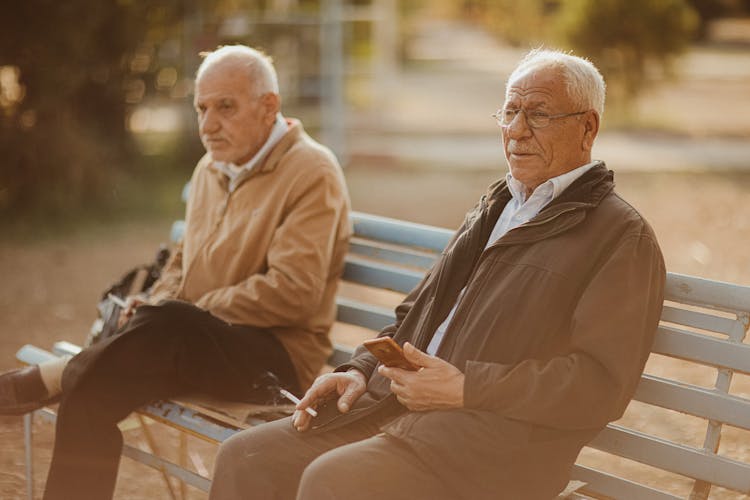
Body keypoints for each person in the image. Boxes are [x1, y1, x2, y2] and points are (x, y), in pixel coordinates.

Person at [208, 48, 666, 500]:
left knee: (334, 482)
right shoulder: (497, 206)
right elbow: (418, 311)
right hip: (396, 412)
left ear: (588, 127)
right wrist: (362, 369)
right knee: (245, 456)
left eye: (539, 115)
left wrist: (467, 389)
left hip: (492, 448)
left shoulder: (620, 235)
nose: (516, 131)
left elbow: (599, 384)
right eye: (509, 112)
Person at [0, 45, 351, 499]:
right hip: (180, 341)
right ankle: (78, 375)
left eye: (225, 107)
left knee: (166, 324)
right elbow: (183, 262)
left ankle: (57, 374)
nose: (208, 125)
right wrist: (155, 303)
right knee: (90, 395)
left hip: (275, 360)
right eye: (201, 108)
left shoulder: (311, 170)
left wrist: (179, 310)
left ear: (269, 107)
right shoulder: (210, 168)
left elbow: (293, 293)